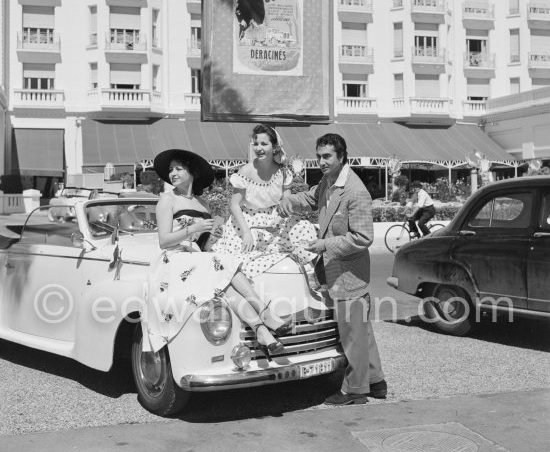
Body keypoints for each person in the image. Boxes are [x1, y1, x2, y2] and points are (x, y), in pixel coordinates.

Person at [141, 148, 291, 360]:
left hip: (196, 259)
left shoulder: (203, 204)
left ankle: (261, 330)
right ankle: (264, 313)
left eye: (178, 169)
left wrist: (212, 235)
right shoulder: (167, 200)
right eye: (171, 170)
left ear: (191, 172)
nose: (173, 173)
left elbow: (203, 246)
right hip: (172, 260)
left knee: (225, 283)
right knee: (227, 265)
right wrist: (193, 228)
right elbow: (164, 240)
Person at [278, 133, 387, 406]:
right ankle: (376, 382)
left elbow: (363, 238)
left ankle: (355, 391)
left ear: (341, 156)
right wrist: (288, 200)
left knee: (352, 335)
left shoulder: (356, 191)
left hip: (349, 274)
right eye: (319, 156)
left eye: (327, 156)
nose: (322, 162)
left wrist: (324, 244)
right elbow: (313, 198)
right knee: (361, 331)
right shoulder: (330, 181)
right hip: (340, 272)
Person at [212, 124, 317, 276]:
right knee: (245, 254)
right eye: (256, 144)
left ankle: (307, 273)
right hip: (248, 221)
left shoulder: (283, 171)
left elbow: (286, 202)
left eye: (264, 143)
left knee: (305, 227)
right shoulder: (246, 171)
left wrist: (279, 219)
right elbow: (234, 205)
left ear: (274, 147)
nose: (259, 148)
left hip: (275, 218)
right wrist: (246, 233)